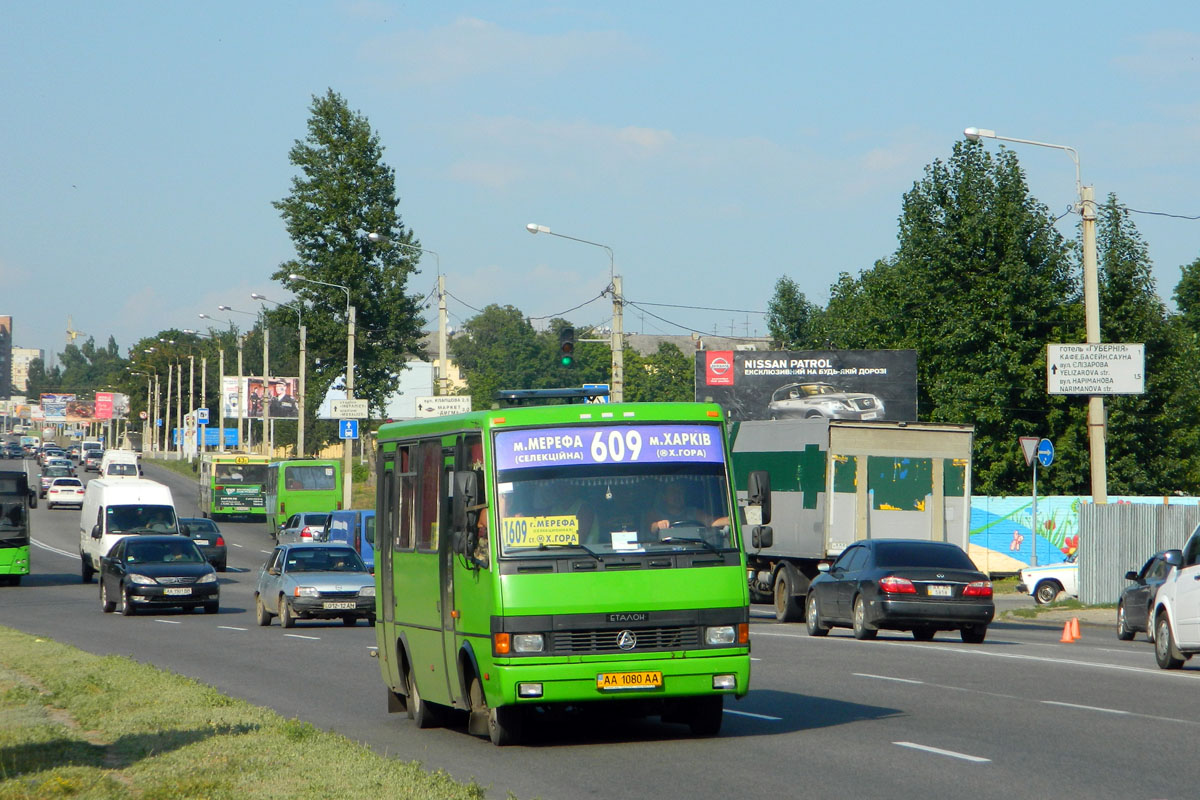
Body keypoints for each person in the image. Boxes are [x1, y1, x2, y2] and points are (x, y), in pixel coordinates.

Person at [645, 480, 729, 536]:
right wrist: (658, 525)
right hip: (664, 552)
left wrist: (731, 520)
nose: (677, 495)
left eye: (680, 492)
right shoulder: (655, 513)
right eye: (673, 492)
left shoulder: (693, 512)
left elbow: (711, 521)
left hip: (693, 551)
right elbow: (651, 528)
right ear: (664, 496)